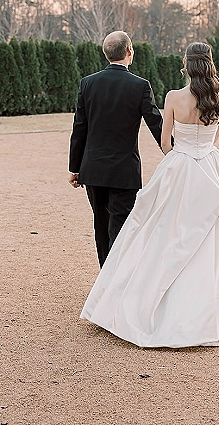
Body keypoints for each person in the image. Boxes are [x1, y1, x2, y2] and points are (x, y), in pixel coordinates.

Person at [80, 41, 219, 348]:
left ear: (186, 64)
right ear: (210, 63)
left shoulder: (174, 96)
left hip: (179, 166)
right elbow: (215, 139)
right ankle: (209, 307)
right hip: (212, 167)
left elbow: (164, 141)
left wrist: (177, 160)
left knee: (164, 233)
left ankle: (147, 302)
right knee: (212, 236)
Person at [68, 31, 163, 267]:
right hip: (124, 171)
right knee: (122, 228)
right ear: (129, 51)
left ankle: (105, 282)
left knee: (101, 225)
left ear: (106, 53)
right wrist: (177, 151)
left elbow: (79, 128)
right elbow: (155, 124)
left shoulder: (88, 83)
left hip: (93, 170)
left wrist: (75, 167)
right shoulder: (140, 85)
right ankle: (116, 285)